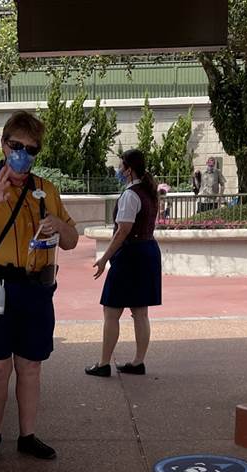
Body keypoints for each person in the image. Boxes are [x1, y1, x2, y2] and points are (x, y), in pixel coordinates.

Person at [0, 111, 80, 464]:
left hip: (34, 288)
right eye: (16, 146)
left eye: (31, 148)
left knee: (30, 365)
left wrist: (59, 226)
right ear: (3, 145)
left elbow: (71, 239)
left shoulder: (46, 190)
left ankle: (27, 436)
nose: (23, 154)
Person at [86, 149, 162, 378]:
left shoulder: (130, 195)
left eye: (121, 167)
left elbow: (123, 231)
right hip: (148, 251)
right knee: (140, 311)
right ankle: (138, 362)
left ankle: (103, 363)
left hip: (130, 255)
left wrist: (104, 258)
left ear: (129, 170)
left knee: (111, 310)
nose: (119, 171)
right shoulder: (149, 192)